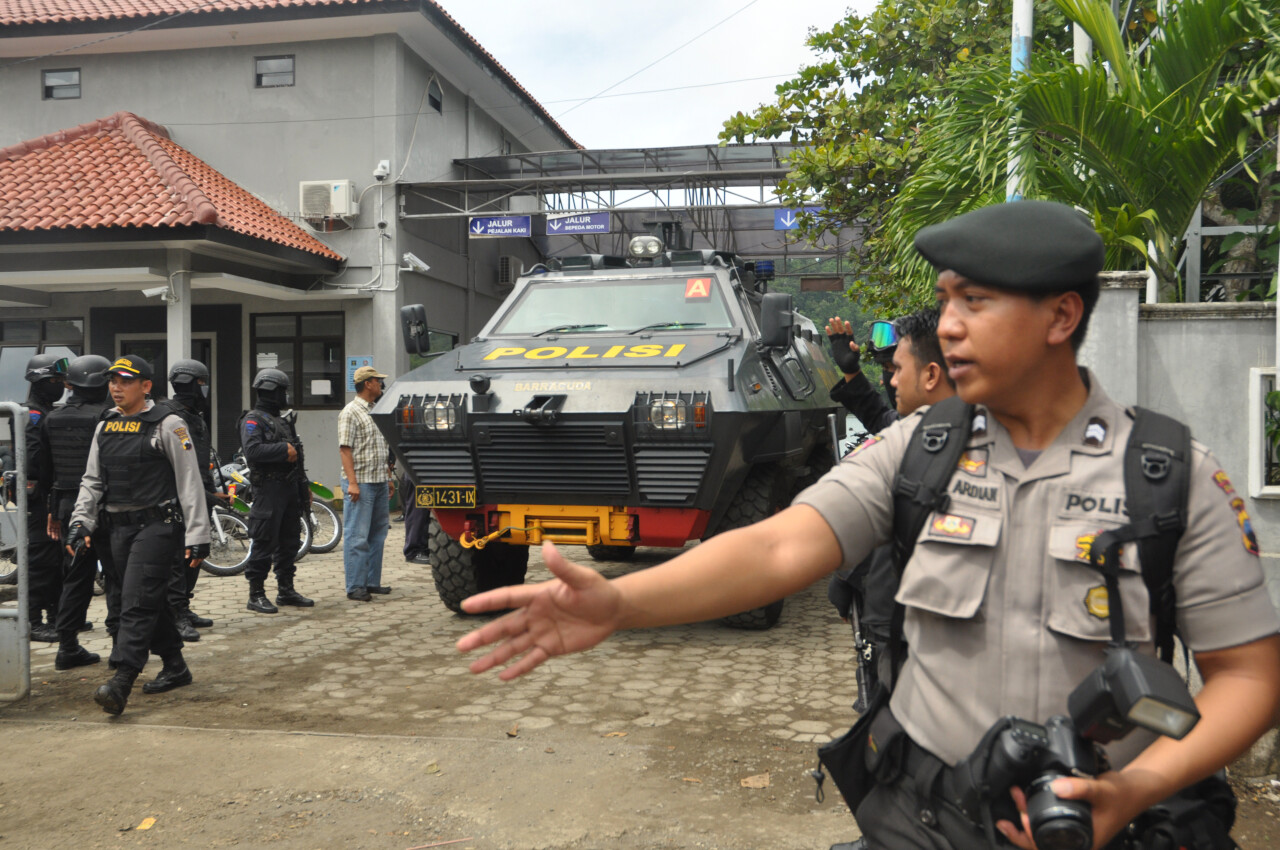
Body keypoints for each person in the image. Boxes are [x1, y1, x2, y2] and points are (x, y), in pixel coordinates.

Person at [457, 201, 1280, 850]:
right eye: (947, 299)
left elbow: (1249, 676)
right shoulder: (917, 451)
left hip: (1102, 823)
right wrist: (622, 602)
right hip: (921, 820)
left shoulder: (1169, 474)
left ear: (1061, 317)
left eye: (976, 300)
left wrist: (1135, 789)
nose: (947, 324)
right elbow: (781, 542)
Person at [67, 355, 210, 714]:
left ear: (145, 386)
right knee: (149, 600)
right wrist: (80, 521)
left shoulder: (169, 424)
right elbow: (92, 480)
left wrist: (198, 535)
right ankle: (175, 666)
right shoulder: (106, 426)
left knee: (134, 602)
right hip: (116, 529)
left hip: (157, 527)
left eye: (125, 381)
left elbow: (189, 482)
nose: (116, 387)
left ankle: (123, 679)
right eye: (113, 381)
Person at [826, 308, 956, 702]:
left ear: (932, 373)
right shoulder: (911, 434)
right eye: (886, 369)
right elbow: (884, 417)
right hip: (887, 622)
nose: (891, 379)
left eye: (896, 368)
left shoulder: (961, 444)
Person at [41, 354, 113, 671]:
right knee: (117, 576)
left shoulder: (51, 419)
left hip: (68, 508)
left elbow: (46, 473)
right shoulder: (109, 417)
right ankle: (122, 643)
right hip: (106, 506)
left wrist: (52, 511)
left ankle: (67, 647)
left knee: (75, 578)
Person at [239, 368, 314, 614]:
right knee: (263, 542)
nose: (286, 396)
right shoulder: (253, 419)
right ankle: (256, 594)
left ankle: (286, 590)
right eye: (283, 391)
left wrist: (304, 487)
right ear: (273, 391)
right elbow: (253, 451)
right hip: (268, 490)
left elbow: (298, 457)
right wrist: (283, 450)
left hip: (290, 488)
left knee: (290, 541)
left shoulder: (283, 421)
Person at [166, 359, 222, 639]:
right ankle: (175, 616)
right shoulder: (169, 417)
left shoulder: (196, 417)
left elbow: (202, 464)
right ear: (189, 383)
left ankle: (184, 607)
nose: (204, 388)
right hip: (177, 502)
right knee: (178, 559)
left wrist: (212, 493)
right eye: (201, 383)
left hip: (200, 498)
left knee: (196, 557)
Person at [23, 353, 69, 643]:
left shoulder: (48, 411)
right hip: (39, 499)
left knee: (57, 558)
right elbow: (31, 457)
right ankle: (32, 621)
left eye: (61, 381)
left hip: (54, 495)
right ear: (38, 382)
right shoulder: (32, 413)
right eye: (54, 381)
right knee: (41, 559)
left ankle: (57, 616)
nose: (60, 385)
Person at [338, 365, 393, 602]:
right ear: (368, 383)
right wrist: (352, 483)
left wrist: (388, 478)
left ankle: (371, 582)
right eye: (378, 381)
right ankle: (355, 586)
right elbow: (345, 449)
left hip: (379, 481)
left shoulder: (375, 410)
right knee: (357, 536)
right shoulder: (350, 412)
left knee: (377, 534)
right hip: (361, 483)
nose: (381, 384)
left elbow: (381, 448)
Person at [824, 316, 900, 433]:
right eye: (885, 367)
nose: (890, 381)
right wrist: (851, 371)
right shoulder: (906, 425)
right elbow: (876, 417)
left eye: (899, 368)